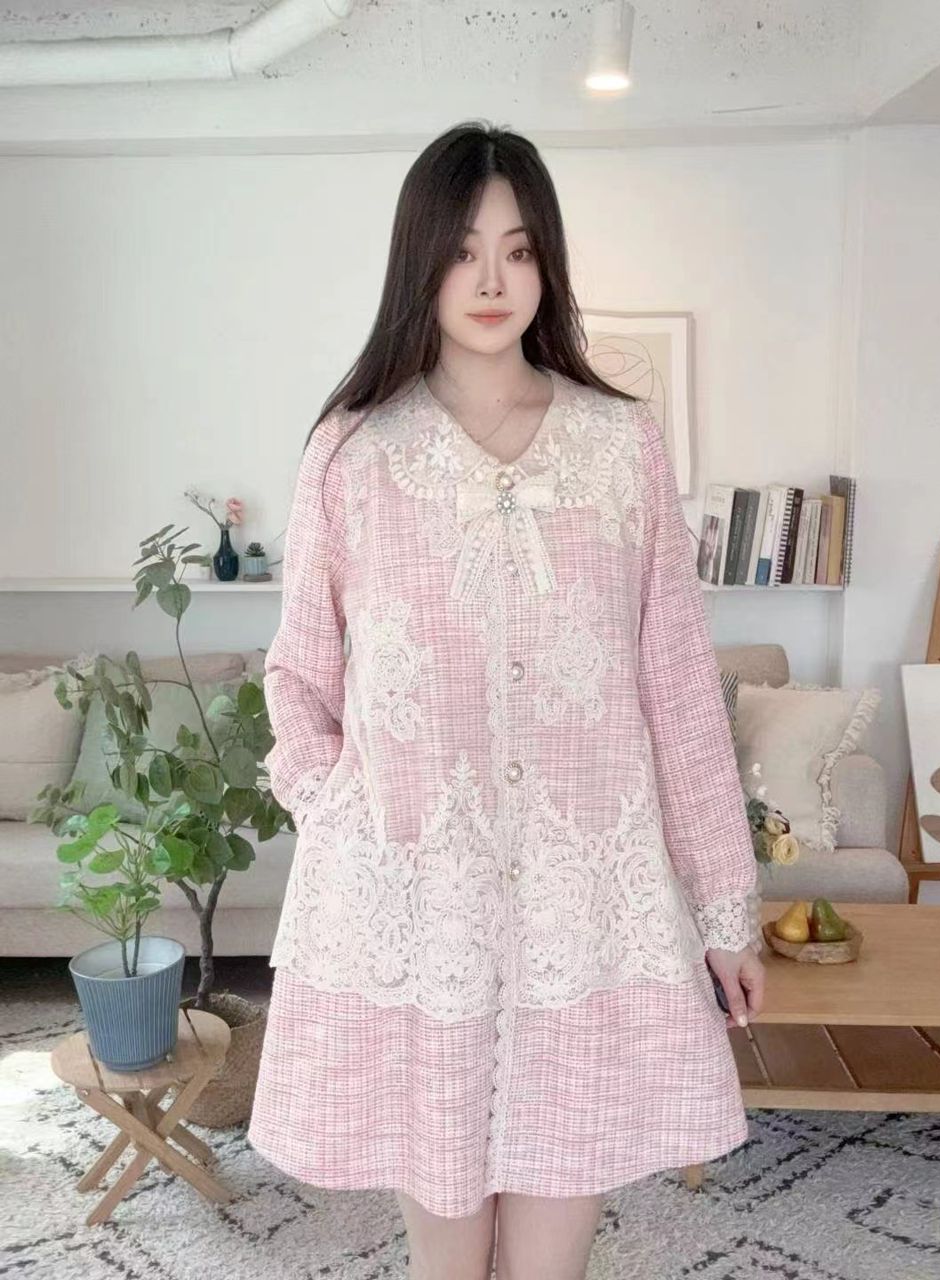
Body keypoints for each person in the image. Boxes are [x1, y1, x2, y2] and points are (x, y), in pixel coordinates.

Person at [247, 119, 766, 1280]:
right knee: (446, 1261)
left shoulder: (620, 446)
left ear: (548, 265)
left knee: (550, 1262)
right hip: (421, 915)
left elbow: (679, 688)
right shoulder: (353, 454)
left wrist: (725, 907)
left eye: (520, 250)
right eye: (463, 249)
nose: (492, 279)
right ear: (419, 261)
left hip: (586, 921)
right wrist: (342, 814)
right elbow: (299, 674)